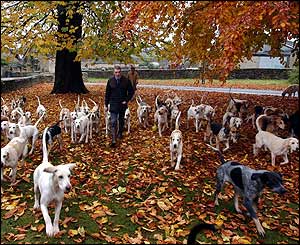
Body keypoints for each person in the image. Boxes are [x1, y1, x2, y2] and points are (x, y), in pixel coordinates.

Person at [105, 65, 134, 147]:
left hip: (122, 104)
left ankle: (120, 132)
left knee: (121, 120)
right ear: (114, 73)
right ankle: (114, 140)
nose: (117, 74)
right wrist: (106, 105)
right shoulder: (110, 81)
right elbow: (107, 93)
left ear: (121, 72)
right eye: (116, 72)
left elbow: (131, 92)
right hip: (113, 103)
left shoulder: (126, 81)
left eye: (119, 72)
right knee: (113, 121)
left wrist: (126, 100)